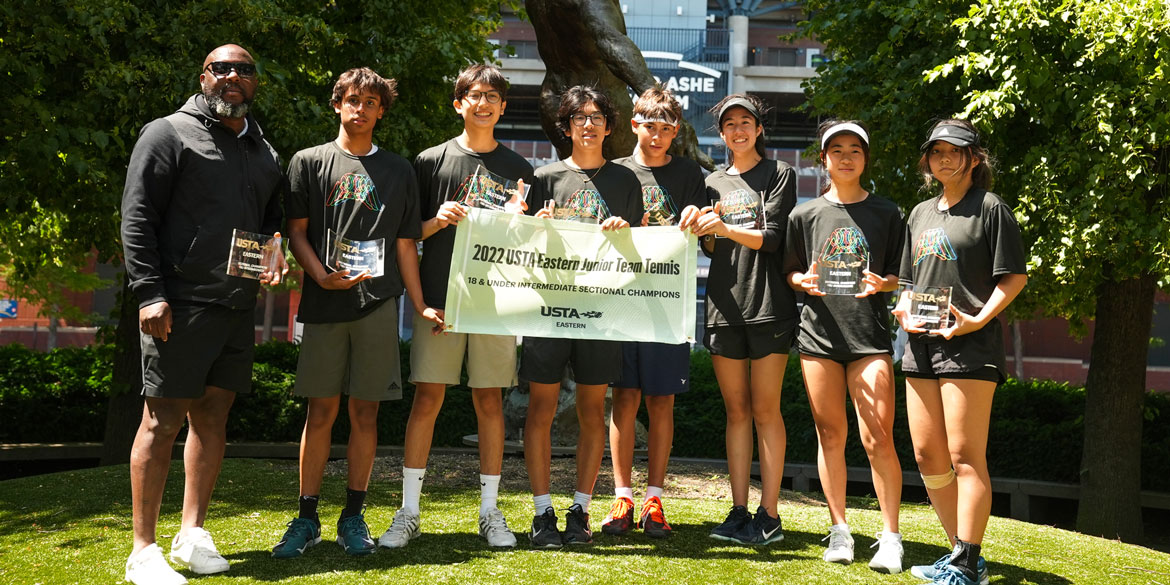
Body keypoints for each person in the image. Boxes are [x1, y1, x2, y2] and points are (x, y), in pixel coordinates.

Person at [121, 44, 285, 585]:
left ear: (255, 82)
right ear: (204, 77)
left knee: (212, 417)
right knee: (161, 420)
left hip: (236, 304)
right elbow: (137, 216)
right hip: (179, 303)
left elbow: (269, 221)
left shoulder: (263, 150)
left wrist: (276, 246)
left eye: (243, 70)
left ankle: (191, 535)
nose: (232, 77)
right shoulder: (167, 133)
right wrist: (149, 293)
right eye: (222, 69)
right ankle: (143, 551)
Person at [272, 67, 436, 558]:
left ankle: (352, 516)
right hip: (324, 301)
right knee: (320, 410)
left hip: (378, 305)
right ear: (337, 104)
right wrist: (319, 275)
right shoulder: (308, 162)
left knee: (365, 411)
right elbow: (296, 230)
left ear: (381, 111)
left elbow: (407, 243)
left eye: (370, 102)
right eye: (352, 100)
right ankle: (306, 518)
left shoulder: (398, 169)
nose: (360, 109)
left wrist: (421, 303)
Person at [380, 64, 533, 550]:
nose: (483, 103)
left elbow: (530, 247)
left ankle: (490, 511)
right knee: (427, 399)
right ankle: (408, 511)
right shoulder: (430, 161)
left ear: (503, 106)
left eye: (493, 96)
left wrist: (527, 223)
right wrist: (436, 221)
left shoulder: (519, 169)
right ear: (458, 103)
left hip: (496, 305)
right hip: (440, 303)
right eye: (474, 95)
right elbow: (406, 236)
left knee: (490, 402)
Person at [892, 119, 1027, 585]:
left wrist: (978, 319)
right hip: (921, 344)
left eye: (955, 151)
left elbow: (1013, 278)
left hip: (970, 344)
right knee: (929, 455)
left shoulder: (990, 209)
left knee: (966, 455)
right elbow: (909, 283)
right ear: (927, 160)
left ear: (974, 158)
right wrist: (903, 310)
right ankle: (960, 554)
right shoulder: (920, 213)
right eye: (936, 152)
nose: (944, 158)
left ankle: (968, 562)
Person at [522, 85, 643, 548]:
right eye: (578, 117)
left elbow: (639, 255)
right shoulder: (545, 178)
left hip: (601, 312)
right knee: (541, 409)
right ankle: (541, 512)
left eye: (596, 117)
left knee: (594, 410)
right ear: (566, 126)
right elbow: (524, 250)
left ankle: (580, 510)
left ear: (609, 127)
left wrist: (625, 232)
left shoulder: (625, 182)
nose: (588, 124)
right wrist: (538, 227)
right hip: (549, 309)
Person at [783, 120, 905, 571]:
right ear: (824, 159)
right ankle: (840, 530)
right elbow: (791, 271)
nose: (847, 156)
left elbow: (901, 274)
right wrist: (803, 280)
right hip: (818, 338)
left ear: (866, 159)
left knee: (878, 438)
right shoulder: (805, 215)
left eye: (856, 149)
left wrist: (884, 282)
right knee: (830, 434)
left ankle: (890, 537)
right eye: (837, 150)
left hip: (869, 339)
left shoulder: (889, 213)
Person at [692, 94, 797, 546]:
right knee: (736, 412)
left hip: (769, 304)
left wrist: (724, 228)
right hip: (723, 306)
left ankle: (769, 514)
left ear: (758, 130)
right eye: (729, 124)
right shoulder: (712, 181)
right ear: (721, 133)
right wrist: (703, 226)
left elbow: (772, 239)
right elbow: (709, 249)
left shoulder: (779, 174)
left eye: (746, 122)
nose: (737, 130)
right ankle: (738, 510)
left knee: (764, 409)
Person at [602, 86, 704, 539]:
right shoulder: (615, 171)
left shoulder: (689, 176)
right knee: (624, 397)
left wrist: (698, 217)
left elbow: (704, 230)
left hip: (667, 302)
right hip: (620, 301)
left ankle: (655, 499)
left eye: (666, 128)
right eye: (650, 126)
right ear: (634, 124)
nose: (657, 135)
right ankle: (622, 495)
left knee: (662, 400)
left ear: (675, 131)